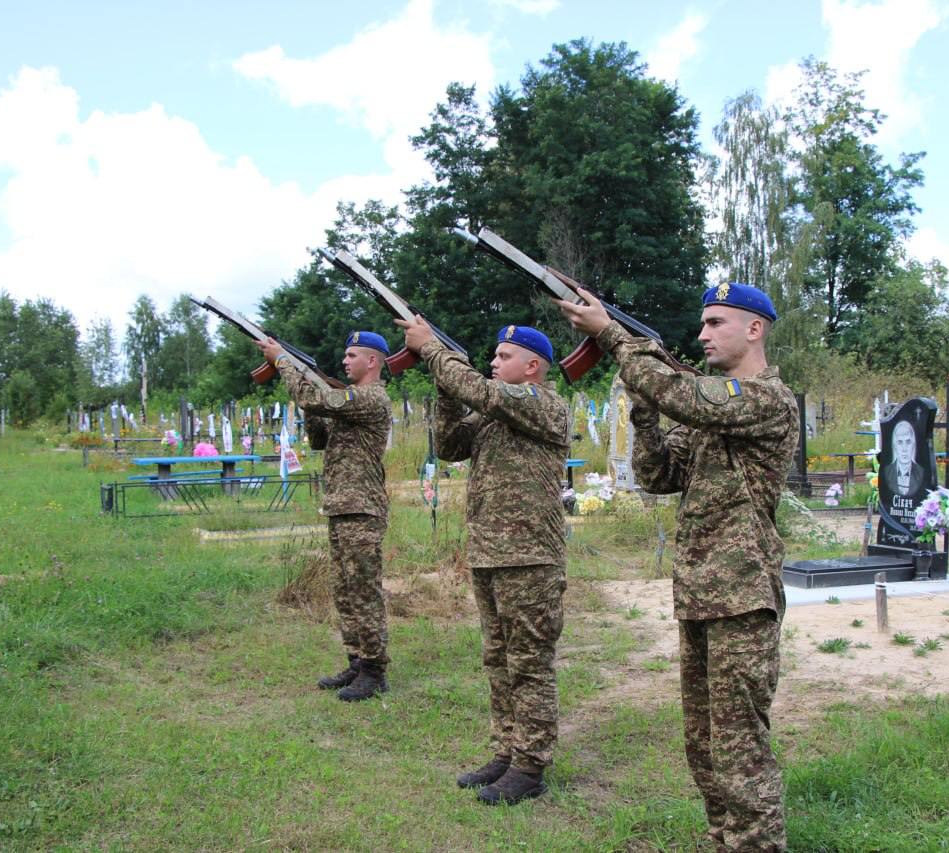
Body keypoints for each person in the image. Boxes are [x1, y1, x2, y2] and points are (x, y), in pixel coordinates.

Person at [557, 282, 798, 851]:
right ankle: (723, 839)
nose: (703, 334)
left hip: (742, 593)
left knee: (740, 744)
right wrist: (644, 418)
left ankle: (757, 845)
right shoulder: (713, 404)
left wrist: (615, 337)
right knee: (705, 741)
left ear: (754, 328)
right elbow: (662, 476)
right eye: (702, 324)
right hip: (699, 590)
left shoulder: (766, 399)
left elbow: (688, 398)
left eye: (716, 323)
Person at [396, 317, 570, 806]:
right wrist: (446, 388)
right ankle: (507, 750)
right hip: (490, 553)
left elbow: (484, 392)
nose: (493, 363)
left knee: (529, 663)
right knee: (498, 658)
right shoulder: (495, 412)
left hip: (530, 558)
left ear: (532, 366)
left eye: (503, 357)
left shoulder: (542, 404)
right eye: (492, 357)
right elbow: (451, 445)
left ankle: (530, 765)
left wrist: (433, 350)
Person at [254, 331, 393, 702]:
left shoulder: (370, 397)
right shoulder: (345, 402)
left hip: (362, 507)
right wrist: (309, 402)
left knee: (363, 589)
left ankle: (375, 670)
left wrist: (284, 361)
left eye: (352, 355)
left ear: (373, 361)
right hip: (341, 505)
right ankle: (357, 660)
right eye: (344, 355)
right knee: (345, 589)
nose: (345, 361)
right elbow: (319, 437)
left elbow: (318, 397)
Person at [890, 420, 924, 497]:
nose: (904, 449)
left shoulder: (921, 473)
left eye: (908, 442)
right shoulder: (887, 472)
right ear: (895, 446)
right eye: (900, 442)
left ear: (913, 445)